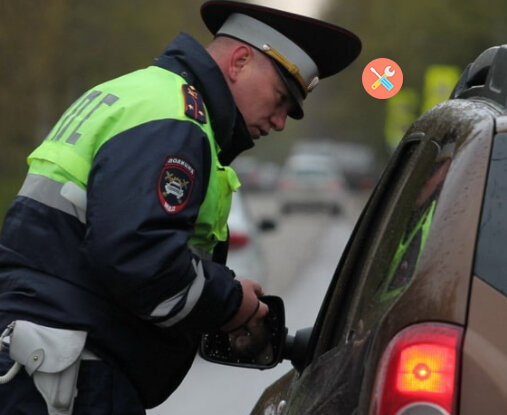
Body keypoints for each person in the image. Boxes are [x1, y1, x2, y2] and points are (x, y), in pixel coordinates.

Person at [0, 1, 361, 413]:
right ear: (240, 61)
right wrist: (232, 303)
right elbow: (140, 259)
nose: (279, 122)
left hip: (40, 359)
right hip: (71, 377)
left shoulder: (135, 92)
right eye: (280, 99)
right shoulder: (176, 119)